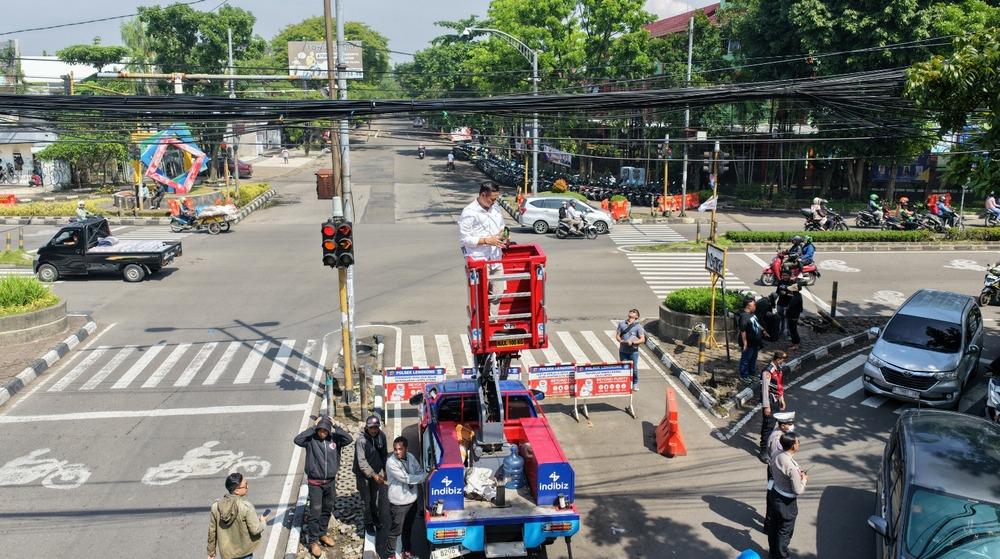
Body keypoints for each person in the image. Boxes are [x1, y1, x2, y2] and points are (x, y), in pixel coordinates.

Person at [293, 416, 353, 558]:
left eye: (325, 431)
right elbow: (297, 440)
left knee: (327, 509)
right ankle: (313, 541)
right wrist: (313, 427)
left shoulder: (335, 439)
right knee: (315, 512)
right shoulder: (310, 440)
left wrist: (336, 425)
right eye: (320, 430)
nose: (322, 433)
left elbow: (349, 439)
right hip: (315, 484)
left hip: (330, 482)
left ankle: (322, 534)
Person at [207, 472, 269, 559]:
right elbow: (256, 530)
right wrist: (263, 521)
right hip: (244, 553)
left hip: (227, 554)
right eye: (245, 485)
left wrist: (211, 552)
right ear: (236, 490)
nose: (248, 487)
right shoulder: (246, 506)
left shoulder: (216, 507)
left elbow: (212, 532)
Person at [382, 436, 427, 559]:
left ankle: (406, 552)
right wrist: (426, 476)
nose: (397, 452)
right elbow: (407, 478)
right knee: (395, 531)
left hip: (412, 501)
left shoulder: (411, 457)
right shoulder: (391, 463)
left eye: (400, 449)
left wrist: (423, 474)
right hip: (398, 504)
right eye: (395, 449)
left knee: (408, 529)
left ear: (406, 448)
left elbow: (418, 470)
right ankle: (391, 554)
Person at [767, 432, 807, 559]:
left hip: (775, 494)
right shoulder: (792, 466)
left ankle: (772, 553)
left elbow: (771, 469)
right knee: (784, 532)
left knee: (774, 527)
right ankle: (782, 556)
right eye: (797, 441)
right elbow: (798, 490)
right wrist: (804, 479)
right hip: (787, 503)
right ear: (793, 446)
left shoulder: (776, 454)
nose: (798, 443)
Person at [353, 415, 389, 536]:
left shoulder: (382, 436)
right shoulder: (361, 441)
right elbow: (361, 462)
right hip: (363, 476)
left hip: (376, 473)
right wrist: (374, 475)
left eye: (375, 427)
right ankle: (368, 522)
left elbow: (384, 454)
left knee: (374, 499)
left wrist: (386, 471)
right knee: (366, 501)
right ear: (366, 428)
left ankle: (375, 517)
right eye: (371, 428)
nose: (373, 430)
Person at [458, 182, 506, 270]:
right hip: (479, 261)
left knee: (501, 284)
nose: (494, 202)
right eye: (492, 199)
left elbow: (502, 226)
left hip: (496, 259)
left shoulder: (495, 208)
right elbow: (464, 239)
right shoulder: (469, 212)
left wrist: (504, 235)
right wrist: (486, 241)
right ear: (483, 195)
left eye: (496, 199)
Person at [759, 351, 788, 463]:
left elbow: (779, 386)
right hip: (769, 401)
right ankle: (763, 451)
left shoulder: (778, 369)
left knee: (771, 425)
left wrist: (781, 399)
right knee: (768, 426)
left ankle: (768, 446)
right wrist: (766, 406)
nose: (783, 362)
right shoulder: (768, 371)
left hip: (775, 400)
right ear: (778, 359)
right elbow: (765, 390)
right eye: (783, 360)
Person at [615, 308, 647, 391]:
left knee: (634, 369)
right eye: (630, 314)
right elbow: (618, 335)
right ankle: (625, 383)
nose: (631, 315)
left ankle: (635, 383)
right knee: (624, 368)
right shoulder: (622, 324)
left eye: (633, 314)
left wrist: (632, 343)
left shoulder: (638, 327)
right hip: (623, 351)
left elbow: (642, 339)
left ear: (636, 317)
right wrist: (620, 340)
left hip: (633, 352)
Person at [739, 297, 764, 383]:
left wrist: (763, 330)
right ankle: (743, 375)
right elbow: (743, 330)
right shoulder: (744, 316)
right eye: (754, 305)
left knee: (753, 358)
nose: (755, 307)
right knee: (746, 359)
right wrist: (745, 343)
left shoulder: (752, 314)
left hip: (755, 342)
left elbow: (756, 324)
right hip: (749, 343)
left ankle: (751, 373)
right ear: (749, 306)